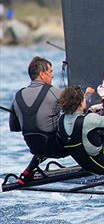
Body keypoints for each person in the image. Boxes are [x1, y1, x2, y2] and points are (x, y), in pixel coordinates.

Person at [9, 56, 65, 184]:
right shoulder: (55, 93)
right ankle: (98, 160)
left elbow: (14, 127)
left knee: (41, 135)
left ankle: (27, 172)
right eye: (50, 72)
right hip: (57, 149)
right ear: (42, 74)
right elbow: (78, 111)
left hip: (34, 148)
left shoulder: (17, 96)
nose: (53, 76)